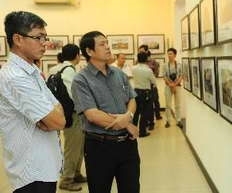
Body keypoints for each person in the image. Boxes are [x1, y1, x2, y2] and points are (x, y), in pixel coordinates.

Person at [0, 11, 66, 193]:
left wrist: (51, 116)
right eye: (39, 37)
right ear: (18, 39)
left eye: (45, 37)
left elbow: (59, 109)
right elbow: (58, 121)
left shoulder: (32, 71)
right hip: (31, 173)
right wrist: (52, 116)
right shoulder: (14, 76)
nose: (45, 43)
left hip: (45, 166)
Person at [71, 31, 140, 193]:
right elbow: (92, 114)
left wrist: (128, 116)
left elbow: (132, 99)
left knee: (132, 189)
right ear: (89, 51)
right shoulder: (81, 80)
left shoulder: (119, 74)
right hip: (99, 147)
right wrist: (127, 125)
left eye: (107, 43)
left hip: (127, 145)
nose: (108, 47)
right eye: (102, 44)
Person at [58, 44, 86, 191]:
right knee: (73, 148)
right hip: (73, 115)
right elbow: (73, 95)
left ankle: (76, 173)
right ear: (77, 55)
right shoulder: (69, 71)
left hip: (67, 113)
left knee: (79, 146)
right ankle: (66, 179)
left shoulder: (59, 68)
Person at [132, 52, 156, 137]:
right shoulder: (148, 70)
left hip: (136, 92)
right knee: (144, 113)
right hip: (146, 93)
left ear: (138, 59)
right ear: (146, 59)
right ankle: (142, 132)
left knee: (136, 113)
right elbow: (154, 81)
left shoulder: (133, 68)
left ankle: (133, 131)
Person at [138, 45, 162, 121]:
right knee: (148, 104)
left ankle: (158, 115)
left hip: (152, 84)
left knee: (155, 100)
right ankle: (149, 120)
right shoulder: (137, 62)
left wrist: (151, 77)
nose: (140, 52)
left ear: (147, 51)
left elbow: (156, 74)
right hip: (143, 85)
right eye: (139, 51)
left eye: (142, 51)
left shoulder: (153, 61)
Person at [163, 48, 183, 128]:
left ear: (175, 55)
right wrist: (170, 84)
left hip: (177, 86)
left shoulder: (179, 65)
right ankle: (168, 121)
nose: (169, 55)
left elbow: (181, 75)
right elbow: (164, 76)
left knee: (177, 105)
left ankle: (178, 120)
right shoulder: (165, 65)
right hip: (168, 86)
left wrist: (175, 84)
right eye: (168, 54)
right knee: (168, 105)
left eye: (171, 53)